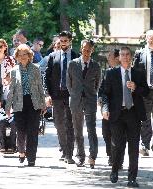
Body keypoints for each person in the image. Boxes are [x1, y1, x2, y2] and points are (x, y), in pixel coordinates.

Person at [102, 46, 149, 187]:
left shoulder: (139, 73)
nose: (125, 57)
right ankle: (115, 170)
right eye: (123, 55)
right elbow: (104, 94)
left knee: (134, 148)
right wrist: (105, 108)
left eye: (128, 54)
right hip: (117, 114)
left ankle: (132, 178)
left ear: (132, 56)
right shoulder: (111, 73)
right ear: (119, 57)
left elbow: (146, 92)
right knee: (118, 145)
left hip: (134, 114)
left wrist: (136, 87)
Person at [5, 44, 46, 166]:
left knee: (33, 132)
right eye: (20, 55)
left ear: (29, 56)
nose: (22, 57)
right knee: (21, 131)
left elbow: (40, 87)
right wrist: (8, 107)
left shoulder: (35, 69)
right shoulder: (13, 71)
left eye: (25, 54)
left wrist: (43, 104)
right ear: (17, 56)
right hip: (19, 103)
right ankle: (22, 151)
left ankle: (31, 158)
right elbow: (11, 90)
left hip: (34, 103)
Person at [45, 31, 79, 164]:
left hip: (71, 95)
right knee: (59, 124)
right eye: (61, 41)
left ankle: (69, 154)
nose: (63, 43)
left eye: (65, 40)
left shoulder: (76, 56)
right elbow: (46, 77)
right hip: (57, 95)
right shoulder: (53, 56)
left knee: (70, 124)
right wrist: (47, 94)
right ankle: (64, 150)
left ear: (70, 41)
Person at [67, 39, 101, 169]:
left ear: (92, 50)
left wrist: (91, 95)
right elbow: (68, 83)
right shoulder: (72, 64)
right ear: (81, 49)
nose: (86, 52)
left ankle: (92, 156)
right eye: (85, 49)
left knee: (91, 129)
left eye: (89, 50)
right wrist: (75, 95)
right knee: (78, 130)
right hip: (75, 101)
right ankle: (80, 156)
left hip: (90, 101)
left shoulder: (96, 66)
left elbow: (97, 84)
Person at [98, 49, 125, 167]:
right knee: (106, 132)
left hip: (120, 110)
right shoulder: (108, 72)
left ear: (116, 58)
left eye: (109, 56)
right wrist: (100, 97)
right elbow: (102, 88)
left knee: (119, 135)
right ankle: (111, 155)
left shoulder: (124, 72)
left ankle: (117, 160)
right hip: (107, 108)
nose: (107, 58)